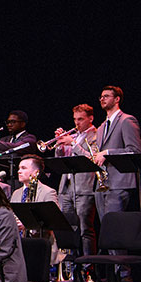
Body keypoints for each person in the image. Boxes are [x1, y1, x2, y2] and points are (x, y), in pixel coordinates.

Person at [90, 85, 141, 282]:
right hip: (103, 183)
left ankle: (124, 274)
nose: (102, 99)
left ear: (117, 99)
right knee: (107, 230)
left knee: (115, 228)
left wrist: (108, 153)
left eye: (106, 96)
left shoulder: (128, 121)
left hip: (120, 181)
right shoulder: (102, 127)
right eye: (101, 96)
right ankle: (116, 273)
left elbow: (134, 150)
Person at [9, 155, 59, 282]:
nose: (19, 171)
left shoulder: (48, 192)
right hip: (20, 238)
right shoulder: (16, 193)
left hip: (40, 241)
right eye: (19, 168)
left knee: (26, 252)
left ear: (36, 172)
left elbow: (52, 219)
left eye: (24, 168)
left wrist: (28, 223)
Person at [52, 103, 99, 256]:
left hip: (84, 187)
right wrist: (59, 144)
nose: (77, 123)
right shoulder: (73, 136)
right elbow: (61, 159)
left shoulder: (96, 135)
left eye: (81, 119)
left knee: (85, 229)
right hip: (66, 188)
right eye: (75, 119)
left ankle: (87, 266)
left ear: (90, 119)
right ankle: (71, 267)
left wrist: (73, 144)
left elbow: (92, 158)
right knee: (68, 227)